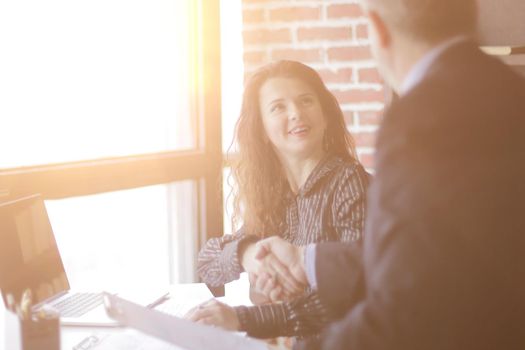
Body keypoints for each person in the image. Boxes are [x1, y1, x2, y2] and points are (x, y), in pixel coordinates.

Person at [254, 0, 525, 349]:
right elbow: (426, 251)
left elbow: (407, 303)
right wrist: (305, 260)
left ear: (377, 28)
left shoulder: (422, 118)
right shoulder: (508, 88)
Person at [188, 60, 370, 340]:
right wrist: (248, 255)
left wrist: (241, 318)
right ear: (261, 130)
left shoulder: (349, 181)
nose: (296, 113)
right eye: (278, 107)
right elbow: (208, 261)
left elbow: (351, 293)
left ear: (324, 114)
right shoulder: (273, 193)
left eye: (306, 101)